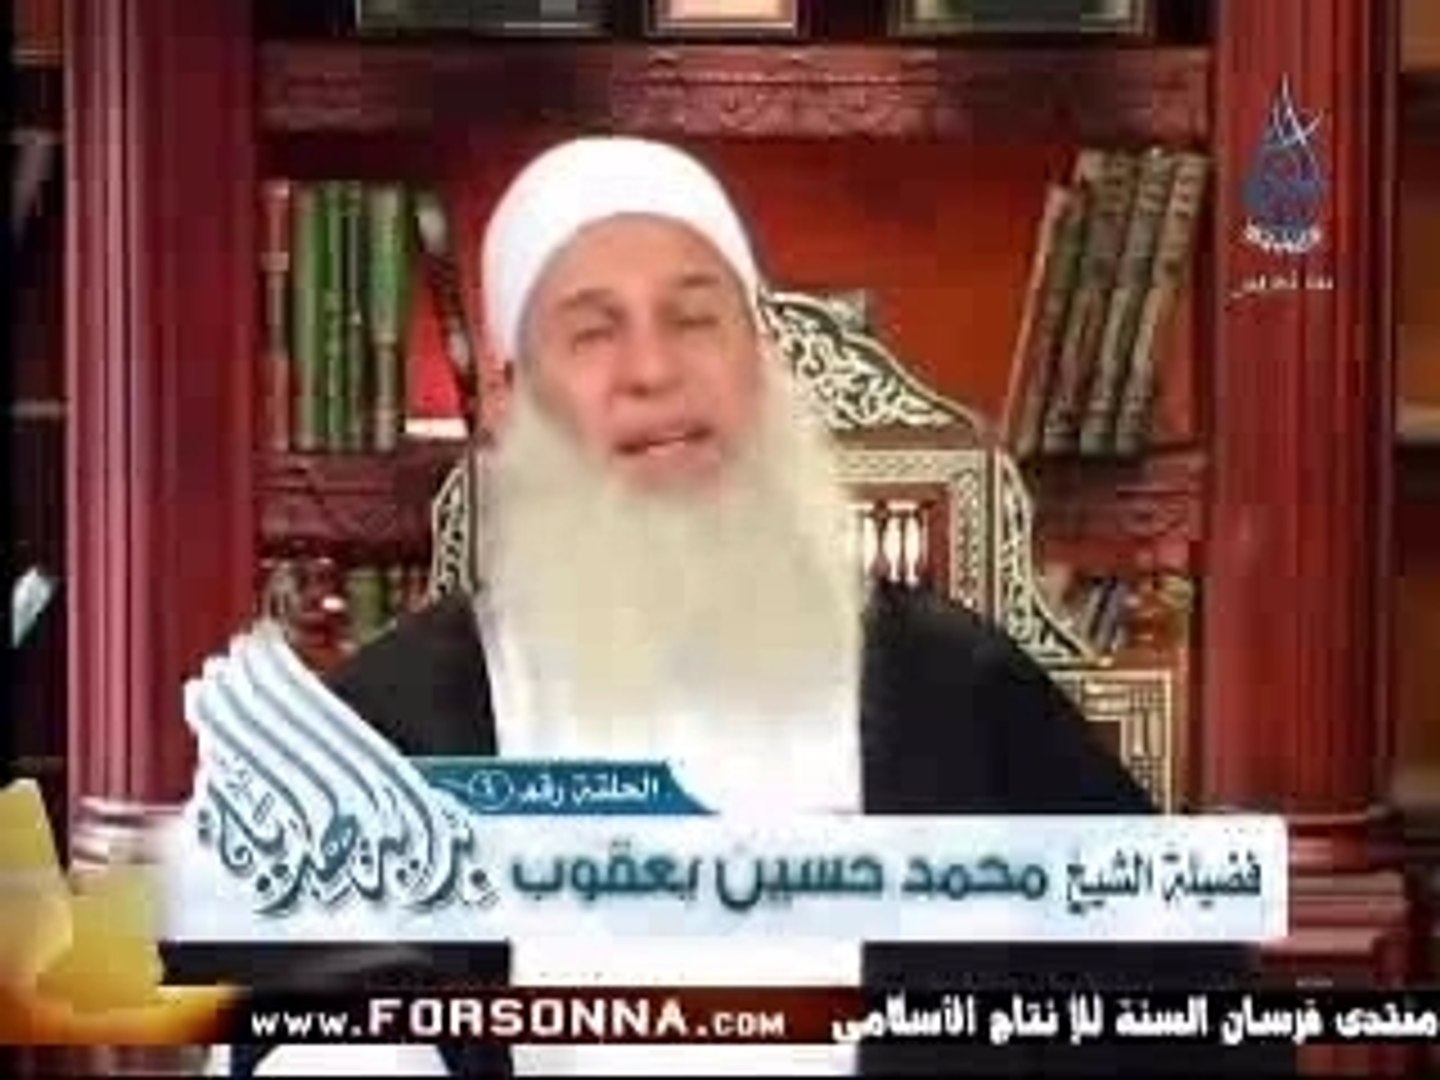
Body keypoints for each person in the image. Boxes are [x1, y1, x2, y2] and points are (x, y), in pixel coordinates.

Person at [185, 136, 1287, 1076]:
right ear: (507, 402)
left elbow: (1188, 1021)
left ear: (763, 361)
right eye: (592, 331)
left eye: (696, 318)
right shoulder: (388, 736)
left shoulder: (959, 693)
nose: (653, 369)